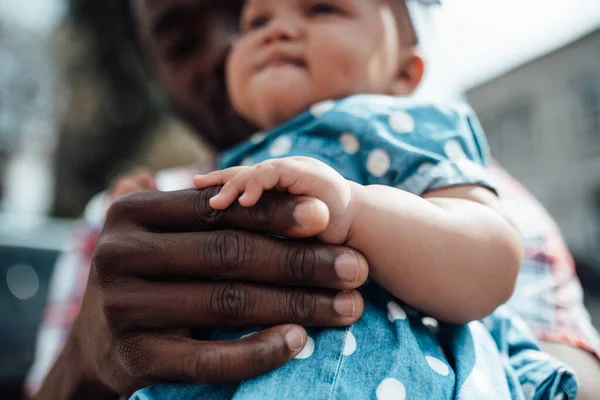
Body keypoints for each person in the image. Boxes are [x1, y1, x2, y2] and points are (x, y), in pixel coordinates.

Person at [29, 0, 600, 399]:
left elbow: (493, 262)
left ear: (407, 71)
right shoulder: (150, 205)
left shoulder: (414, 134)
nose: (264, 33)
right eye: (258, 20)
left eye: (321, 7)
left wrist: (358, 209)